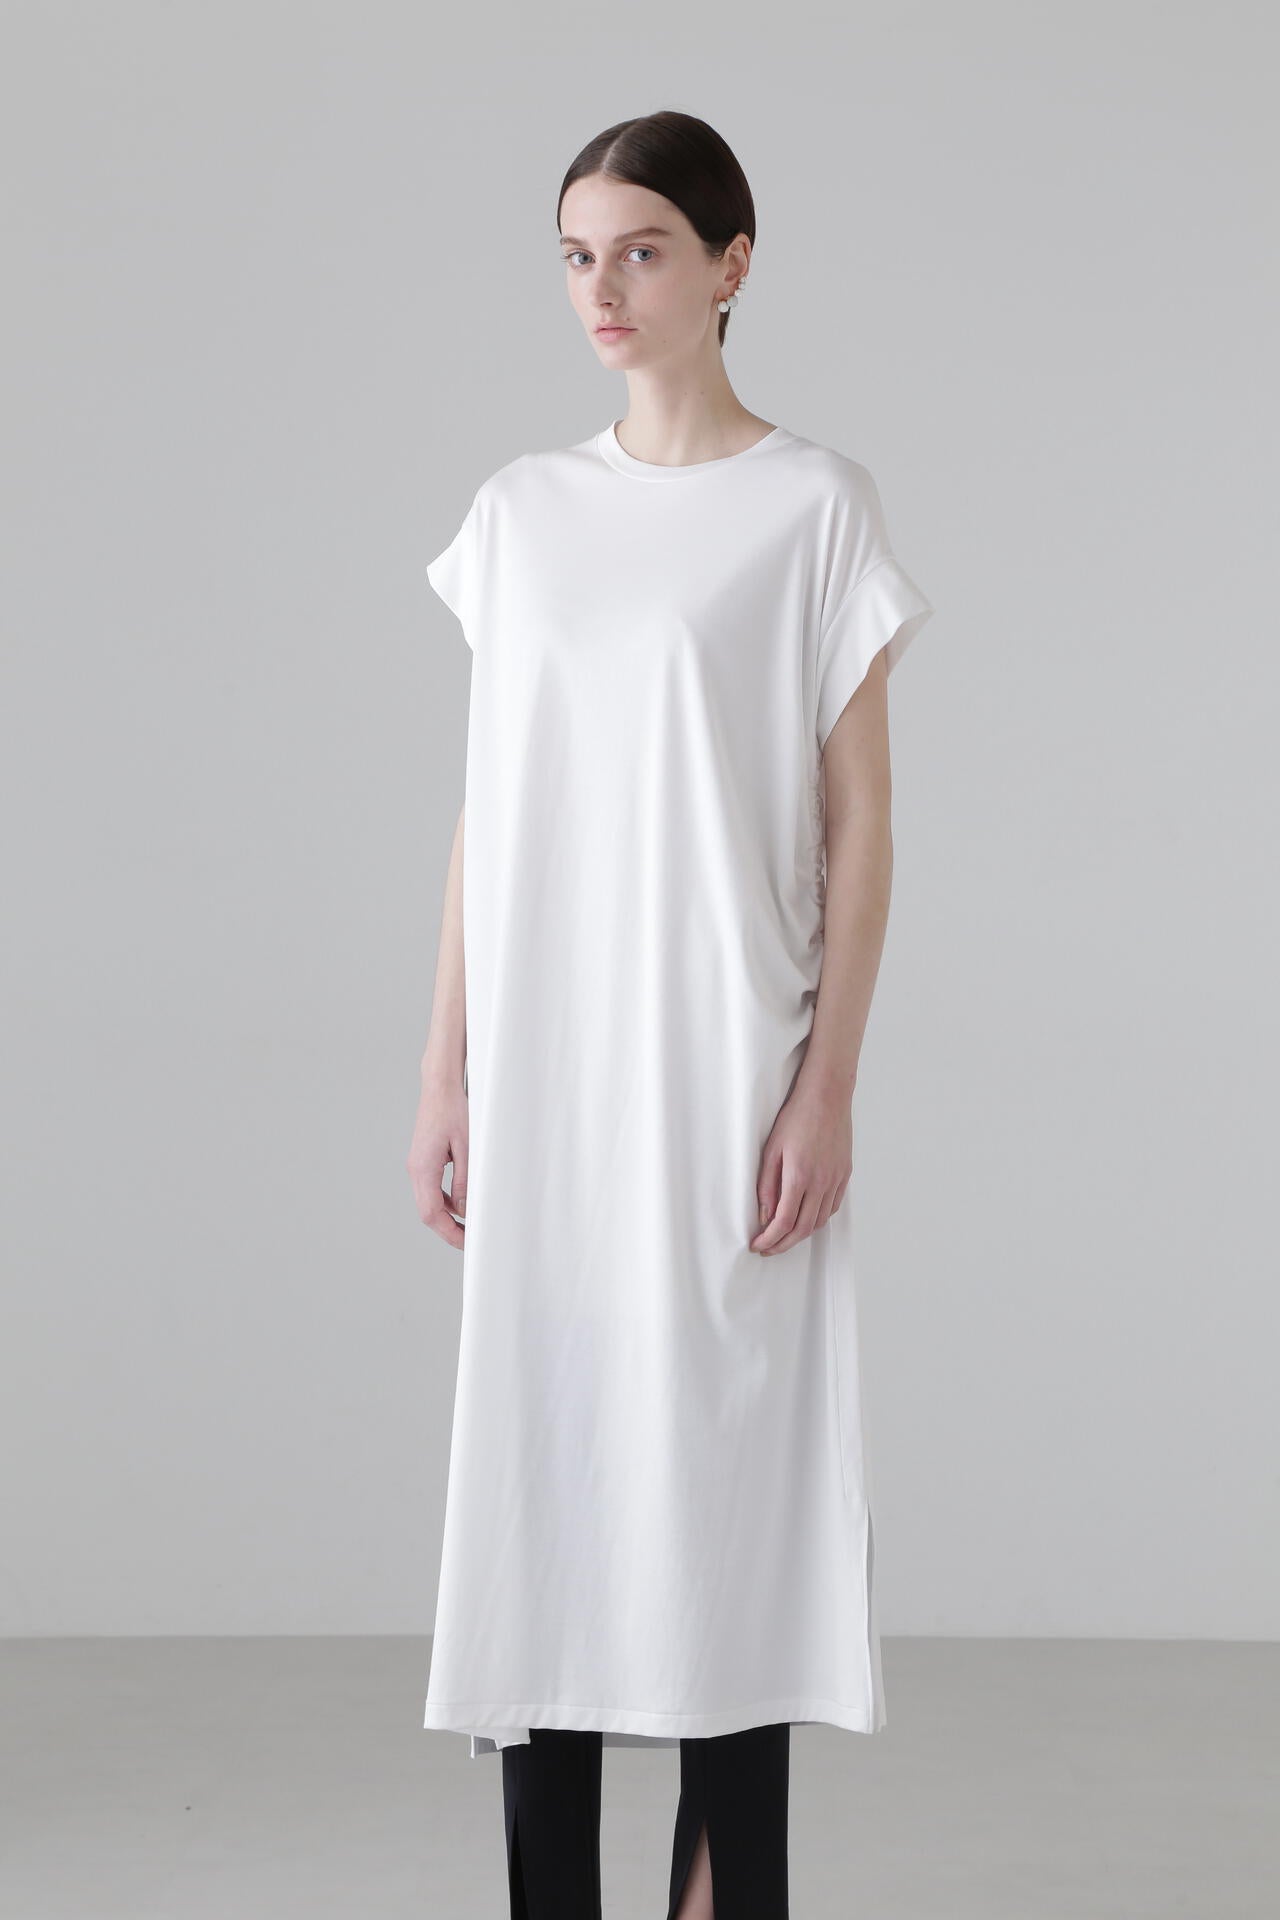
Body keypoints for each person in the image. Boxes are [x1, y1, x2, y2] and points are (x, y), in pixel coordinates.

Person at [407, 108, 935, 1920]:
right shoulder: (519, 515)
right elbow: (488, 811)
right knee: (549, 1474)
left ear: (732, 262)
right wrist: (444, 1071)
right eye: (577, 255)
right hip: (549, 1083)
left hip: (726, 1069)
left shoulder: (814, 507)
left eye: (640, 249)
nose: (603, 289)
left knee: (726, 1496)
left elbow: (861, 822)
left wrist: (827, 1083)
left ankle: (727, 1892)